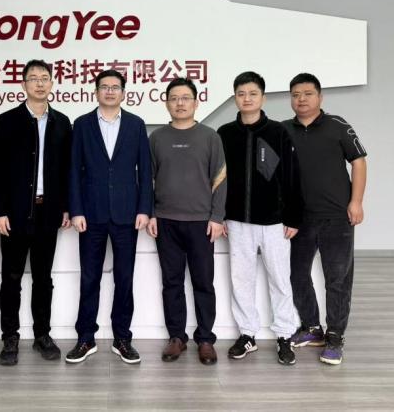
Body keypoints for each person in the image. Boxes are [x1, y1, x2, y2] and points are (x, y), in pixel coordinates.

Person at [0, 59, 72, 366]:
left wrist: (66, 207)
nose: (39, 83)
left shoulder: (62, 122)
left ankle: (42, 335)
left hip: (48, 213)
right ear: (23, 85)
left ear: (52, 84)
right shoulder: (6, 121)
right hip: (14, 214)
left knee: (43, 278)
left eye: (44, 78)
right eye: (33, 78)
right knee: (11, 278)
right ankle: (10, 338)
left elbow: (67, 170)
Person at [65, 69, 153, 364]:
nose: (110, 91)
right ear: (97, 91)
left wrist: (144, 209)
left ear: (123, 93)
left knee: (124, 279)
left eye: (115, 87)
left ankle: (122, 338)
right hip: (91, 214)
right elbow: (73, 170)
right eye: (105, 87)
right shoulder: (82, 124)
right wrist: (76, 210)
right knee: (89, 278)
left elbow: (145, 170)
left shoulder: (136, 124)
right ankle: (85, 338)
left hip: (127, 214)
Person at [218, 71, 302, 365]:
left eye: (253, 93)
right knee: (241, 279)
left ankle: (285, 335)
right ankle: (247, 334)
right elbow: (218, 178)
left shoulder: (278, 132)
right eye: (241, 94)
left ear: (263, 98)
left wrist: (293, 217)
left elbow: (291, 175)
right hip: (237, 220)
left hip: (274, 221)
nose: (247, 99)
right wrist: (220, 214)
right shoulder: (225, 133)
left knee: (280, 279)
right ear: (235, 98)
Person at [284, 73, 367, 365]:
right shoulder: (283, 130)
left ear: (320, 97)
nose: (301, 99)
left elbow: (358, 162)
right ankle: (311, 328)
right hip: (299, 219)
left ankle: (335, 335)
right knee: (297, 274)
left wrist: (356, 201)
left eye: (307, 93)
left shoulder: (338, 126)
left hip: (337, 217)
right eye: (295, 94)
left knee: (338, 278)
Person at [147, 78, 227, 365]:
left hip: (201, 222)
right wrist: (151, 213)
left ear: (196, 102)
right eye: (174, 98)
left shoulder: (210, 137)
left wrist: (217, 217)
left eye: (185, 98)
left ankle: (205, 339)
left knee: (203, 282)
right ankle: (177, 337)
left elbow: (220, 179)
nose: (179, 103)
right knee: (171, 282)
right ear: (166, 102)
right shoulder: (156, 138)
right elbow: (147, 179)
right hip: (165, 222)